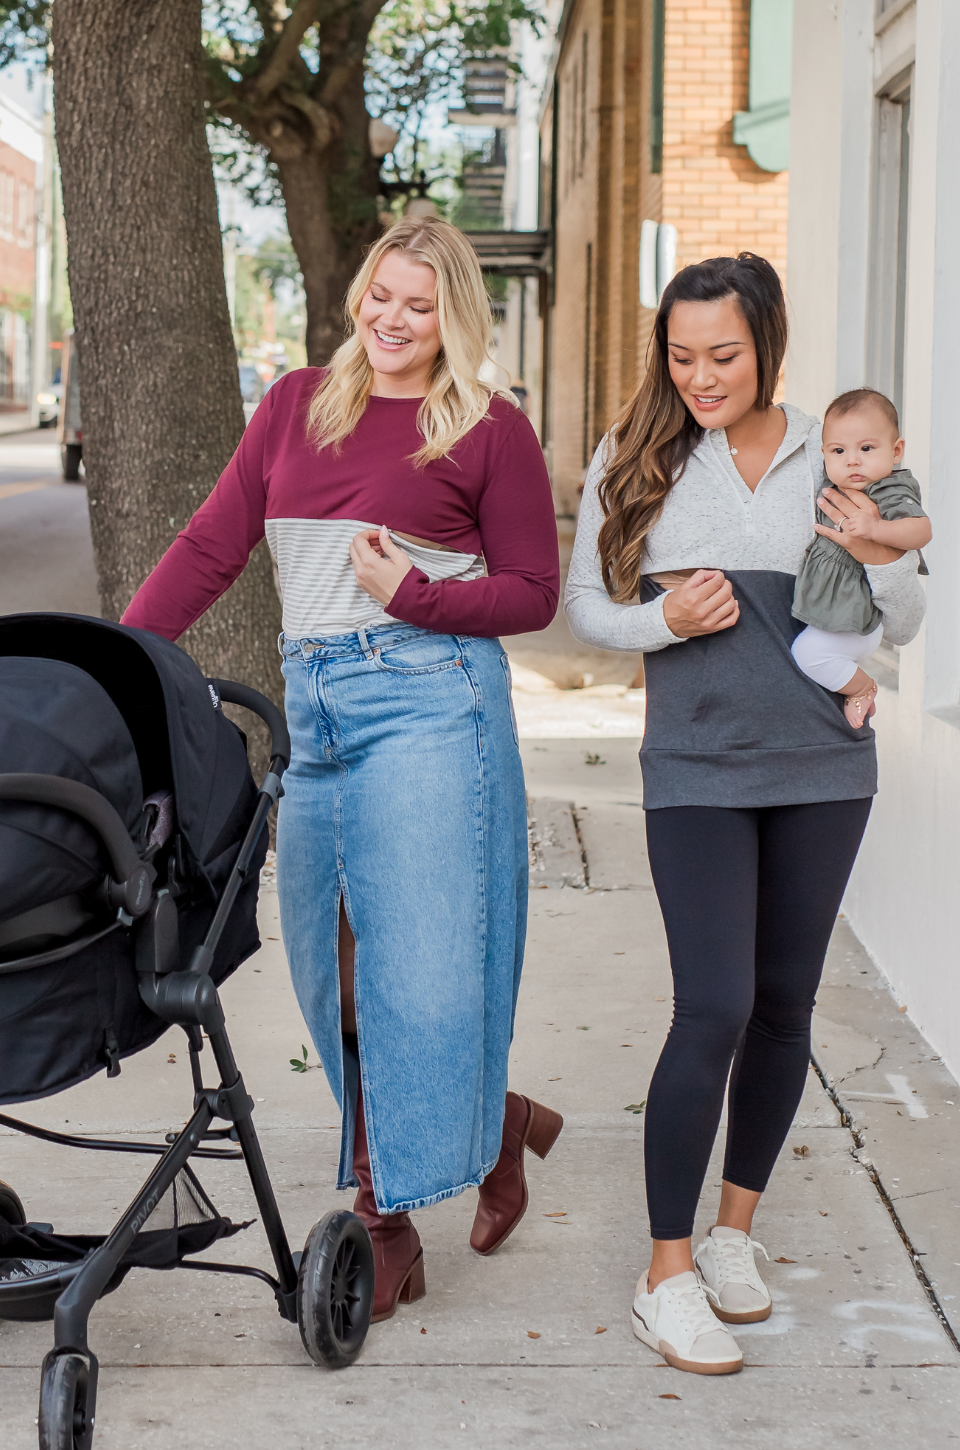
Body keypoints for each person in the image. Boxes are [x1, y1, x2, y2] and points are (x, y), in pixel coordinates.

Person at [123, 216, 564, 1323]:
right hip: (311, 708)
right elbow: (212, 547)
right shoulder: (295, 404)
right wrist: (121, 666)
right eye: (381, 296)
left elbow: (530, 591)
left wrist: (414, 595)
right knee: (329, 968)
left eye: (420, 305)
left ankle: (384, 1218)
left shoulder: (489, 430)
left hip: (430, 698)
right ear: (359, 294)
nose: (394, 320)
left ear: (454, 313)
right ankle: (490, 1119)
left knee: (408, 969)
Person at [565, 253, 925, 1377]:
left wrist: (870, 549)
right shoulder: (639, 457)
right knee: (711, 1003)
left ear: (769, 340)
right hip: (697, 770)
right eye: (681, 355)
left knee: (783, 1007)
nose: (702, 375)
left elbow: (904, 615)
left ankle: (733, 1235)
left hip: (824, 768)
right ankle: (665, 1272)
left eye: (723, 353)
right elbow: (584, 605)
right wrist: (662, 619)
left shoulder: (839, 448)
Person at [791, 387, 931, 727]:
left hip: (859, 616)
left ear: (896, 450)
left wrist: (876, 529)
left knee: (807, 654)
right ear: (824, 454)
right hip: (836, 608)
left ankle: (861, 687)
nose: (852, 460)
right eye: (839, 450)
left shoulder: (891, 489)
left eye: (867, 448)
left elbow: (921, 530)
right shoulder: (832, 483)